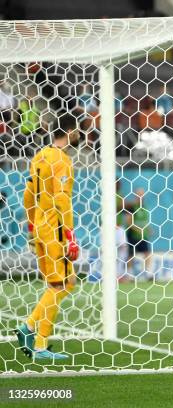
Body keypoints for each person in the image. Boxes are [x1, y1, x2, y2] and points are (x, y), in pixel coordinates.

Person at [15, 112, 81, 360]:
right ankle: (31, 332)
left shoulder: (40, 156)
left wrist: (32, 229)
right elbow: (63, 200)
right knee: (63, 284)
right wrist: (71, 237)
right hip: (55, 229)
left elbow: (28, 195)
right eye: (77, 130)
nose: (79, 135)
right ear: (69, 131)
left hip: (41, 226)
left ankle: (38, 338)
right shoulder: (62, 160)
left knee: (61, 283)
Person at [125, 188, 152, 279]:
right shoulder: (132, 207)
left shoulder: (144, 207)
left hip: (143, 236)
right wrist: (138, 229)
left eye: (142, 194)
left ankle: (148, 273)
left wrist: (148, 228)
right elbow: (129, 222)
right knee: (131, 255)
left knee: (147, 253)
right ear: (135, 195)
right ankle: (129, 274)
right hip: (132, 235)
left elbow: (145, 221)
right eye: (139, 194)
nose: (141, 196)